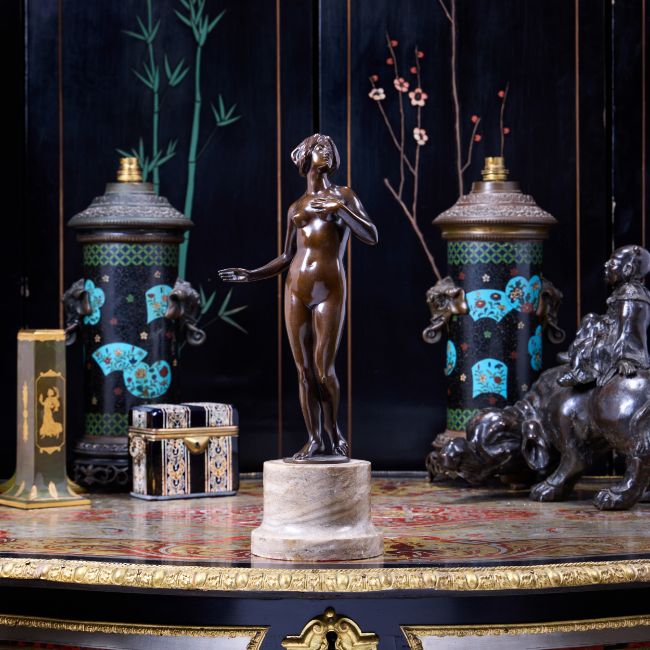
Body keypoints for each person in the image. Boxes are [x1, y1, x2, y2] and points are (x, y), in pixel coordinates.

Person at [219, 134, 378, 461]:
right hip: (295, 288)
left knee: (324, 370)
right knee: (304, 371)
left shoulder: (344, 196)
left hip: (329, 289)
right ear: (304, 156)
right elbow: (285, 256)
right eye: (318, 147)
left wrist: (341, 209)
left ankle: (334, 434)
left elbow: (371, 235)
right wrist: (251, 274)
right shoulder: (296, 206)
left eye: (329, 148)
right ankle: (315, 439)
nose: (326, 152)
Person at [558, 245, 650, 387]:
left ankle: (580, 373)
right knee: (590, 319)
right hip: (611, 329)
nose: (606, 265)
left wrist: (624, 358)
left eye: (612, 263)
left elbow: (627, 328)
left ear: (627, 269)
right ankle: (573, 354)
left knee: (592, 347)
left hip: (620, 340)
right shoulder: (624, 289)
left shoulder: (631, 293)